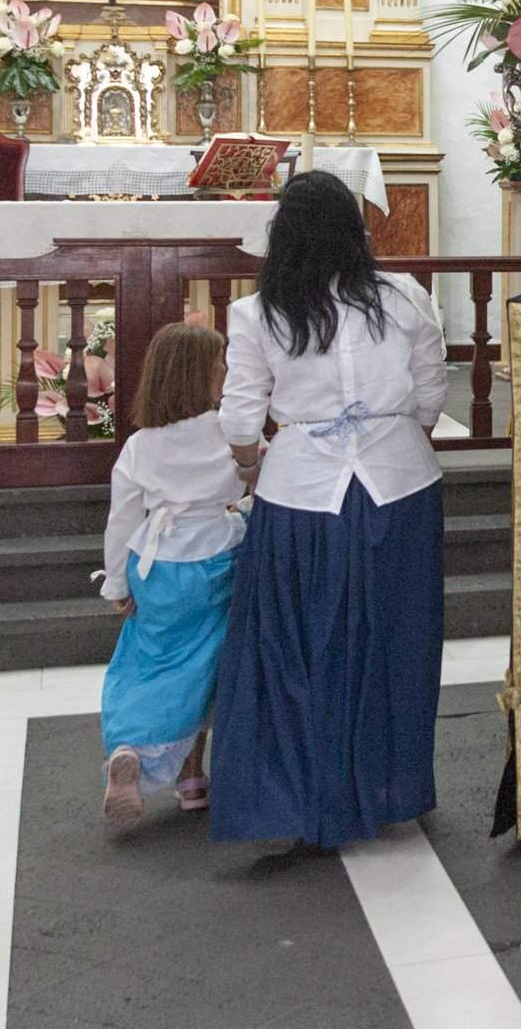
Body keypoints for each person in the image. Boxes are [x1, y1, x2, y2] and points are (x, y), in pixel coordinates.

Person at [209, 170, 449, 848]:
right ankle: (390, 786)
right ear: (355, 229)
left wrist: (252, 468)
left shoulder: (259, 312)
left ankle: (296, 801)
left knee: (298, 648)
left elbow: (240, 417)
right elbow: (431, 393)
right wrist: (397, 435)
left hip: (300, 495)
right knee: (396, 642)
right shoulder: (403, 297)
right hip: (399, 486)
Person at [96, 321, 246, 828]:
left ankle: (131, 750)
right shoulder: (229, 432)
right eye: (220, 365)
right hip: (216, 563)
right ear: (200, 376)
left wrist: (116, 584)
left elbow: (121, 521)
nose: (227, 372)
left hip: (155, 569)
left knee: (147, 663)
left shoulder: (141, 445)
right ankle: (192, 776)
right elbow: (259, 478)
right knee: (205, 668)